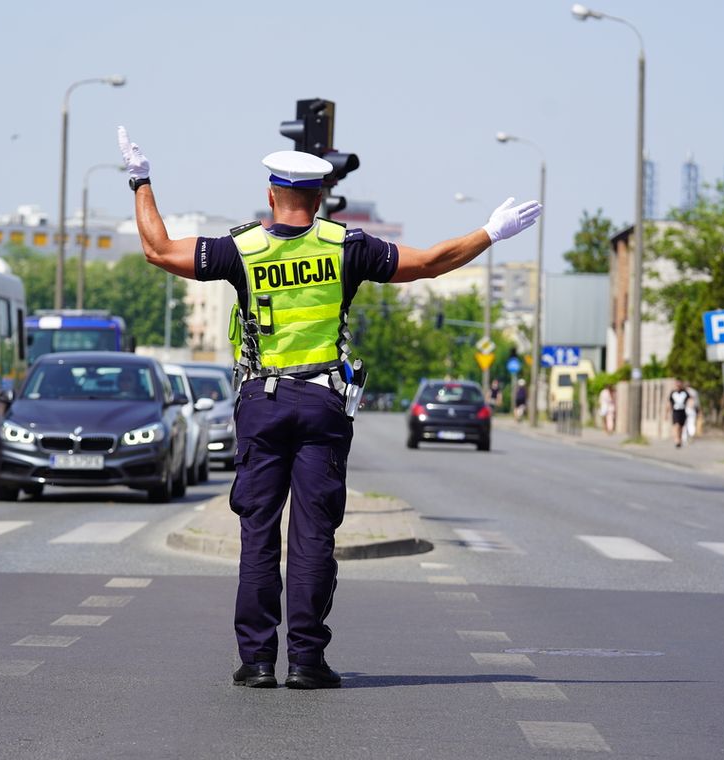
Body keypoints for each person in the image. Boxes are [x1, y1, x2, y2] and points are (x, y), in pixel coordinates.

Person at [117, 126, 541, 690]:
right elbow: (432, 263)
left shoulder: (240, 249)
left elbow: (157, 250)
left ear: (271, 196)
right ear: (320, 199)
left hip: (261, 404)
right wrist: (491, 231)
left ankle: (259, 661)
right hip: (322, 405)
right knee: (315, 534)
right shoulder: (348, 246)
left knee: (259, 533)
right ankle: (307, 662)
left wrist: (141, 180)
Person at [668, 378, 689, 448]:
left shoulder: (685, 393)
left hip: (682, 411)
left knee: (681, 427)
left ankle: (680, 438)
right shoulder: (673, 393)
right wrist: (667, 412)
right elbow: (669, 403)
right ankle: (677, 440)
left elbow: (690, 399)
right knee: (676, 425)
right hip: (675, 411)